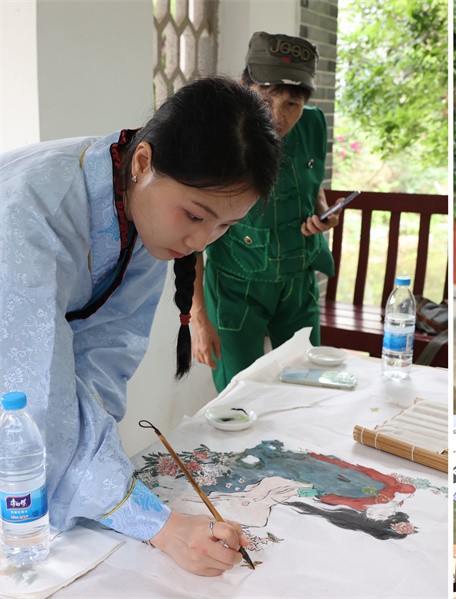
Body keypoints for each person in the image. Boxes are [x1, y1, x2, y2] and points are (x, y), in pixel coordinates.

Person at [0, 76, 281, 575]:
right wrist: (157, 524)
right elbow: (33, 393)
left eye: (224, 226)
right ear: (143, 162)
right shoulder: (31, 209)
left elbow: (106, 355)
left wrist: (106, 480)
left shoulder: (142, 211)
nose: (201, 241)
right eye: (195, 215)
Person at [190, 32, 341, 392]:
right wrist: (197, 317)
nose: (276, 116)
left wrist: (322, 212)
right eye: (265, 98)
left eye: (291, 103)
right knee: (238, 393)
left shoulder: (312, 125)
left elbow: (311, 183)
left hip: (297, 281)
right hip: (235, 288)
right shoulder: (216, 137)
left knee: (307, 388)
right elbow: (190, 234)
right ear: (245, 87)